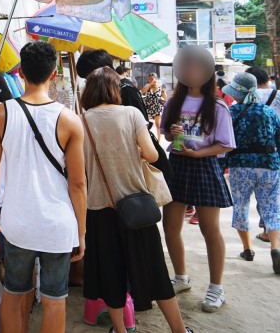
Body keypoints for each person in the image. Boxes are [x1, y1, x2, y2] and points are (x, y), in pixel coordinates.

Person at [0, 41, 87, 333]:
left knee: (14, 293)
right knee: (54, 300)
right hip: (57, 225)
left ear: (21, 73)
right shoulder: (70, 120)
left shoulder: (0, 114)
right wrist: (82, 231)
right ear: (54, 74)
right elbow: (78, 184)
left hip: (17, 224)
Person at [81, 67, 193, 333]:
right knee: (155, 270)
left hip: (99, 211)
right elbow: (153, 155)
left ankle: (120, 330)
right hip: (135, 208)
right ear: (113, 89)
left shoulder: (81, 120)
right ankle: (179, 330)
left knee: (112, 276)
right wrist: (137, 152)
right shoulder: (131, 114)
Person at [161, 46, 235, 313]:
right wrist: (172, 133)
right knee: (170, 227)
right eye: (187, 66)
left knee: (210, 230)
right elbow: (167, 137)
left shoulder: (217, 106)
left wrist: (199, 152)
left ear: (207, 72)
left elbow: (226, 145)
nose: (191, 71)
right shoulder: (172, 102)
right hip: (177, 165)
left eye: (196, 67)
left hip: (203, 166)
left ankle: (216, 288)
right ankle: (181, 278)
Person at [222, 73, 280, 274]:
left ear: (237, 92)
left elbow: (224, 141)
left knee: (241, 206)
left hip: (241, 165)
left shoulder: (231, 112)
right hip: (269, 164)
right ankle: (276, 248)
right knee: (271, 208)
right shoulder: (268, 112)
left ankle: (247, 250)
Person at [246, 66, 279, 242]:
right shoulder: (279, 95)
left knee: (264, 195)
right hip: (276, 149)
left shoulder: (249, 99)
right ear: (267, 78)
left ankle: (267, 230)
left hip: (255, 154)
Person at [141, 73, 168, 142]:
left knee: (157, 124)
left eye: (152, 79)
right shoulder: (148, 86)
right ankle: (147, 139)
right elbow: (142, 91)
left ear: (156, 79)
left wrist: (164, 92)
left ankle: (158, 140)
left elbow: (165, 97)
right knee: (146, 123)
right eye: (149, 79)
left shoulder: (160, 86)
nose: (151, 80)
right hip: (148, 107)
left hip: (157, 107)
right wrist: (150, 84)